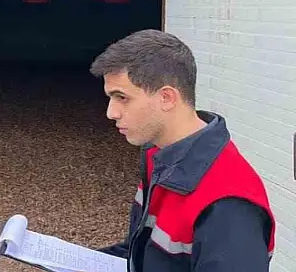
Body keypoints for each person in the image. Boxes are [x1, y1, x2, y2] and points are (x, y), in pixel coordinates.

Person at [89, 29, 275, 272]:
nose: (111, 113)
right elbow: (141, 256)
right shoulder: (157, 156)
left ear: (167, 98)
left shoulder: (228, 205)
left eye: (122, 97)